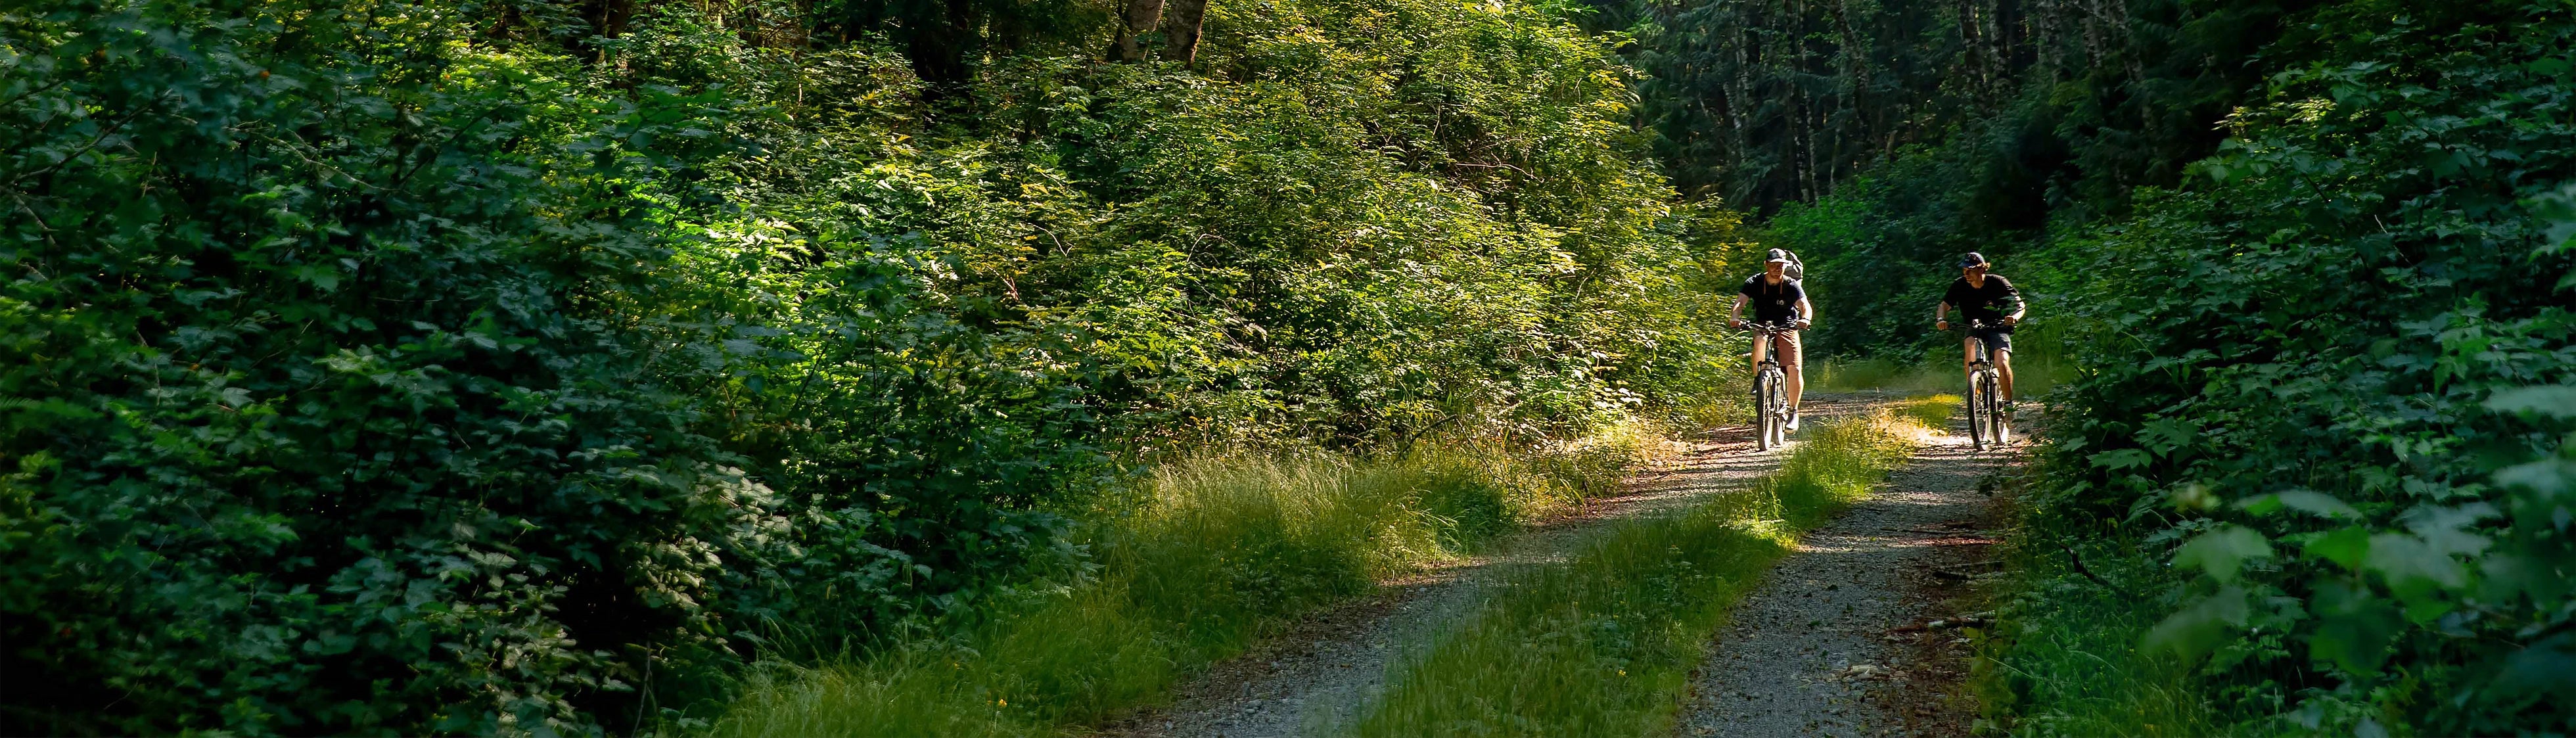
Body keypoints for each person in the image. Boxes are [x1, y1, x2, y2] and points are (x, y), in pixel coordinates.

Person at [1730, 248, 1813, 430]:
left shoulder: (1791, 284)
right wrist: (1735, 317)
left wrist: (1805, 319)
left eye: (1781, 266)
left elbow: (1804, 305)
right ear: (1766, 264)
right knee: (1759, 341)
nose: (1777, 269)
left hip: (1787, 325)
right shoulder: (1754, 282)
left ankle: (1793, 411)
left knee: (1794, 367)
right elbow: (1740, 302)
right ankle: (1758, 379)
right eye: (1774, 265)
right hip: (1763, 324)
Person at [1933, 252, 2025, 411]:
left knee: (2002, 362)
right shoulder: (1959, 285)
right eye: (1964, 270)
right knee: (1970, 348)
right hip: (1973, 327)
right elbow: (1944, 306)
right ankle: (1976, 391)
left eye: (1970, 270)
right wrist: (1941, 320)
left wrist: (2014, 317)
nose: (1966, 274)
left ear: (1982, 269)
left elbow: (2020, 305)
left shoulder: (1998, 282)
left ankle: (2009, 405)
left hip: (1998, 326)